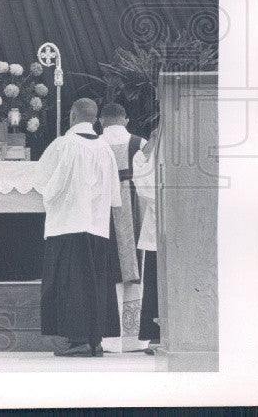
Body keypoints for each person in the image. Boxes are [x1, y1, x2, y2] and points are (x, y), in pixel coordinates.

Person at [34, 98, 122, 357]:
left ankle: (79, 340)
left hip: (69, 223)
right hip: (97, 225)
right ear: (94, 119)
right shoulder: (104, 148)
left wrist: (49, 197)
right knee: (95, 282)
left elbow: (47, 180)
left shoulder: (66, 144)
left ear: (72, 115)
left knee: (72, 284)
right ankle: (95, 341)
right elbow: (114, 193)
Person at [100, 103, 149, 353]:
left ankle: (109, 339)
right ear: (126, 121)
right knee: (135, 264)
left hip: (102, 209)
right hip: (135, 208)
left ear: (101, 122)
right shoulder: (139, 143)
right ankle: (137, 339)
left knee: (107, 265)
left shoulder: (95, 144)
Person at [134, 127, 161, 351]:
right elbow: (145, 187)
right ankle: (156, 336)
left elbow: (144, 186)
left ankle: (158, 336)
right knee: (155, 281)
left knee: (157, 281)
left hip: (168, 225)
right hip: (163, 227)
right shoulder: (158, 148)